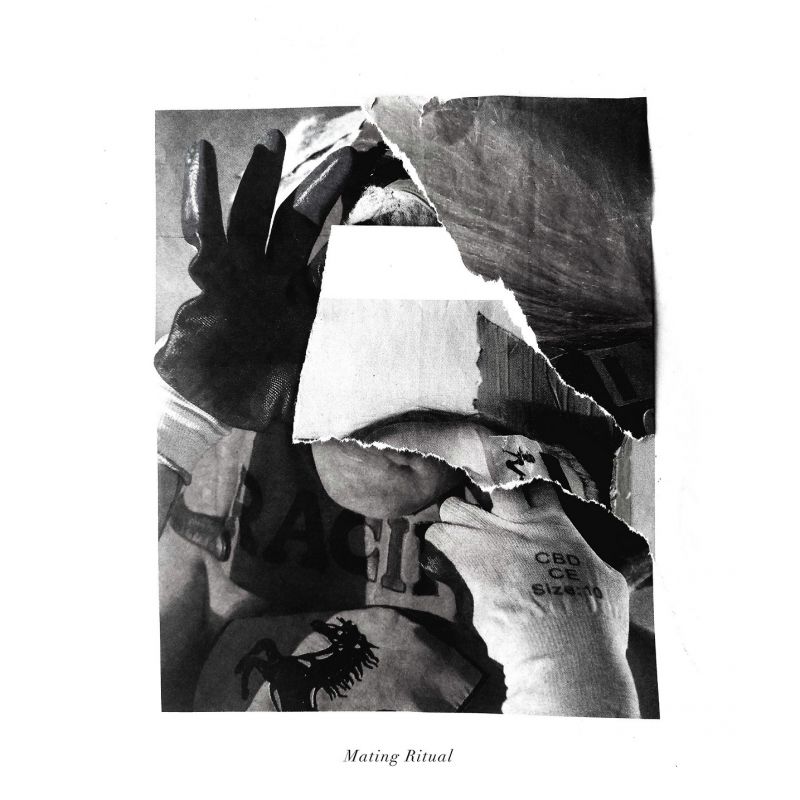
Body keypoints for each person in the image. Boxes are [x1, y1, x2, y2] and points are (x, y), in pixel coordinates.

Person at [156, 131, 655, 715]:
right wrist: (574, 666)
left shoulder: (557, 519)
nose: (405, 436)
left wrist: (578, 658)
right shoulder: (234, 454)